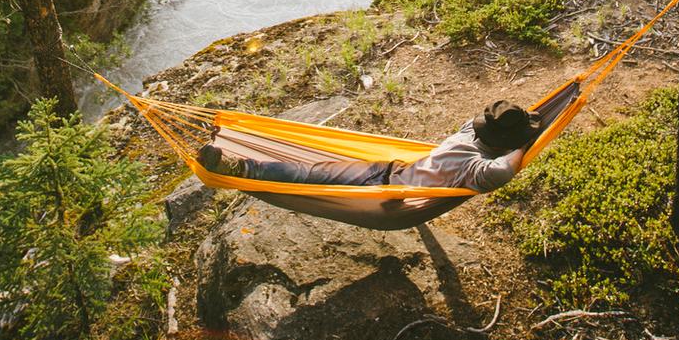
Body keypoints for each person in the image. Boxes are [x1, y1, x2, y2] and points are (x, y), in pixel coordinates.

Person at [196, 100, 542, 192]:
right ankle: (243, 161)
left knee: (309, 176)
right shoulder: (477, 165)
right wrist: (526, 142)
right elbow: (507, 168)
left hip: (384, 186)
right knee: (313, 170)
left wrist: (522, 132)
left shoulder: (469, 136)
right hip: (387, 173)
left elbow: (503, 166)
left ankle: (239, 167)